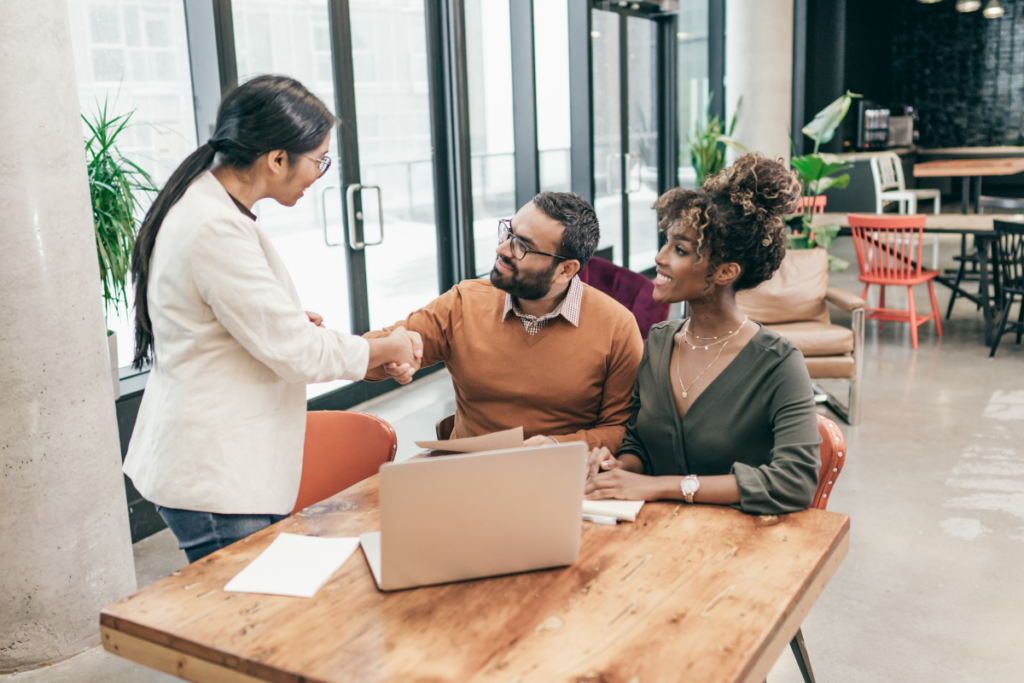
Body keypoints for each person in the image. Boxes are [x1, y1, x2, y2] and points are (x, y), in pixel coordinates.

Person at [122, 76, 422, 562]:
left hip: (216, 462)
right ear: (277, 158)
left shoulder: (206, 202)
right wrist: (386, 348)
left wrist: (278, 320)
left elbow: (218, 318)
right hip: (217, 476)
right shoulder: (214, 226)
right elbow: (296, 351)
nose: (319, 174)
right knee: (247, 622)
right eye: (319, 160)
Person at [584, 153, 821, 515]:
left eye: (680, 249)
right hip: (654, 535)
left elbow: (795, 481)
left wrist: (660, 486)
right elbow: (639, 444)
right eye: (666, 242)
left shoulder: (778, 363)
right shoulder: (660, 341)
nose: (660, 257)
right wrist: (619, 469)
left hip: (738, 547)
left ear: (725, 272)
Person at [364, 192, 645, 452]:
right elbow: (367, 357)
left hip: (558, 476)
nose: (503, 249)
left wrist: (558, 445)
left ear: (565, 270)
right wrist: (390, 352)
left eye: (522, 246)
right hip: (466, 473)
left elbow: (621, 429)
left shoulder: (616, 327)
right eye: (508, 232)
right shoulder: (463, 303)